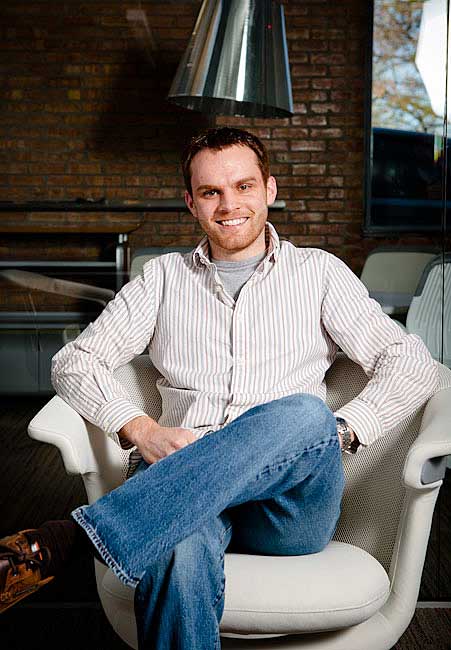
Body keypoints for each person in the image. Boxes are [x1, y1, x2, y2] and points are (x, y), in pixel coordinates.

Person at [0, 127, 438, 649]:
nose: (229, 205)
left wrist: (337, 432)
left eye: (243, 186)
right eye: (211, 192)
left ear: (269, 189)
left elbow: (411, 362)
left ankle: (71, 540)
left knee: (303, 413)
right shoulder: (162, 278)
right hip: (178, 481)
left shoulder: (319, 273)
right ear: (191, 202)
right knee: (176, 545)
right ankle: (108, 532)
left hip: (287, 509)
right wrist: (142, 430)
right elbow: (75, 361)